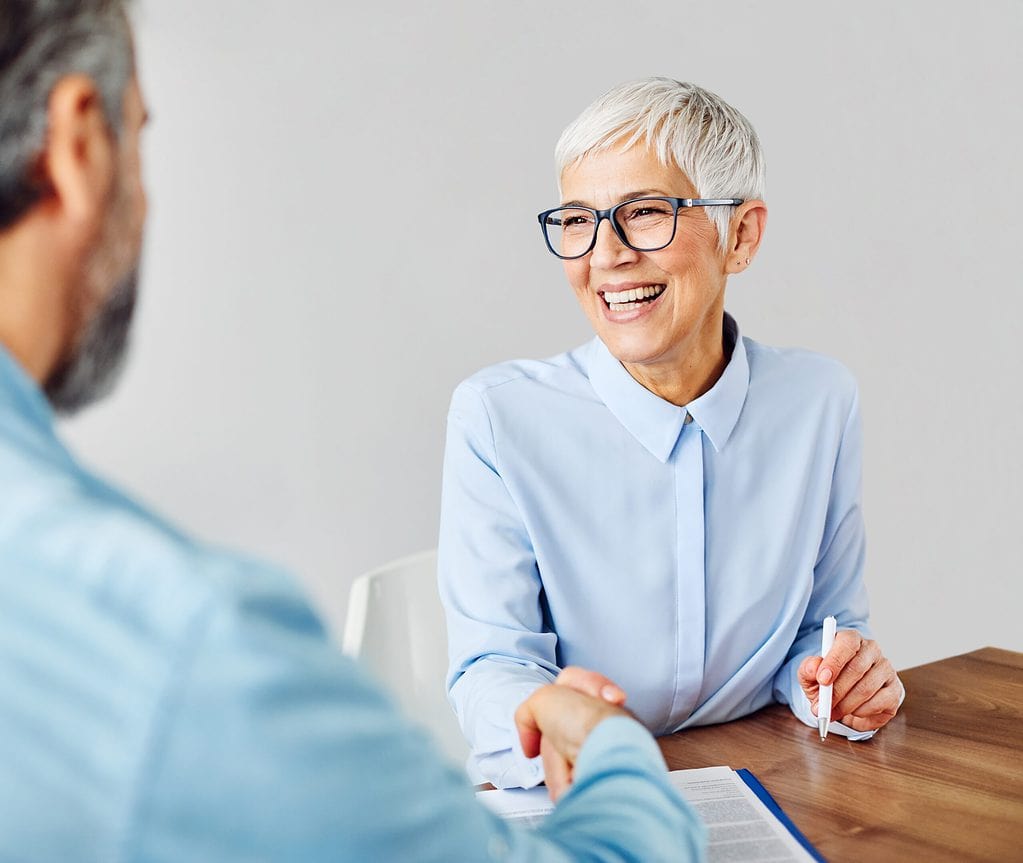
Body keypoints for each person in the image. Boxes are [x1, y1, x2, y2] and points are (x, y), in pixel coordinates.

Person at [0, 4, 706, 860]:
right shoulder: (178, 642)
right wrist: (619, 756)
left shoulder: (815, 401)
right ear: (79, 146)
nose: (609, 252)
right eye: (139, 138)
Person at [439, 77, 905, 789]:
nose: (606, 255)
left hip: (764, 778)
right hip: (578, 796)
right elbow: (489, 666)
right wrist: (548, 711)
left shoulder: (818, 401)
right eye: (576, 220)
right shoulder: (498, 417)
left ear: (740, 235)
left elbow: (824, 629)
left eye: (645, 212)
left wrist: (837, 678)